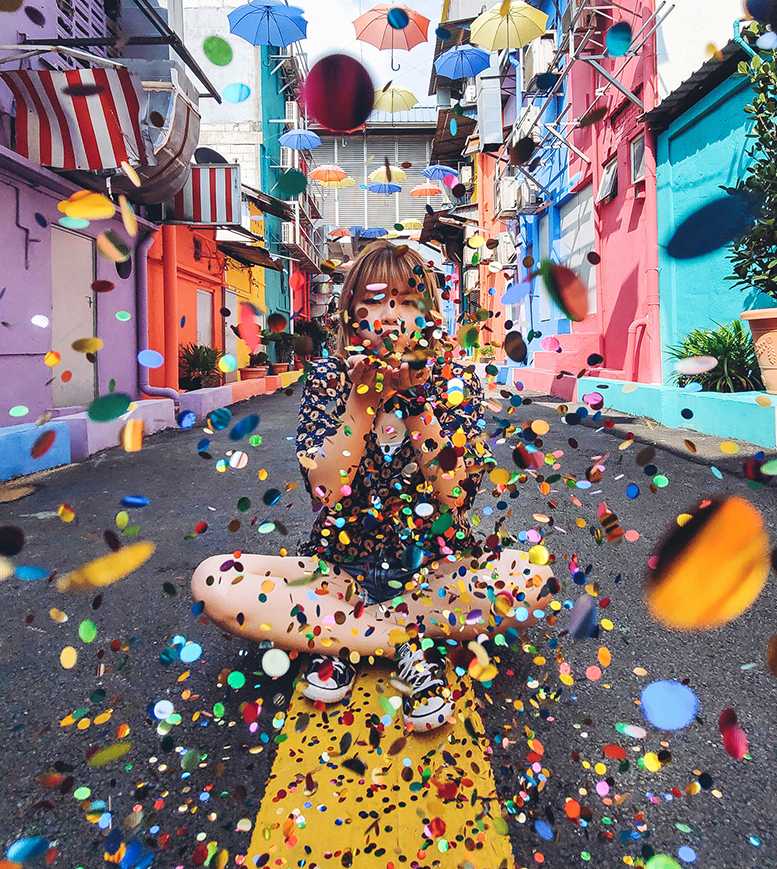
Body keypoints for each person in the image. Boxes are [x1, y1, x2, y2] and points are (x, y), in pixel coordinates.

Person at [191, 241, 554, 732]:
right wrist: (362, 401)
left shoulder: (455, 378)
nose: (390, 315)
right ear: (351, 312)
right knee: (213, 581)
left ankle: (339, 640)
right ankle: (405, 644)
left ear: (428, 311)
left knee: (532, 579)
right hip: (339, 574)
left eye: (407, 299)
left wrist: (414, 404)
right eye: (376, 299)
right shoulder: (326, 376)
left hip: (437, 574)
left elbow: (454, 497)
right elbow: (328, 493)